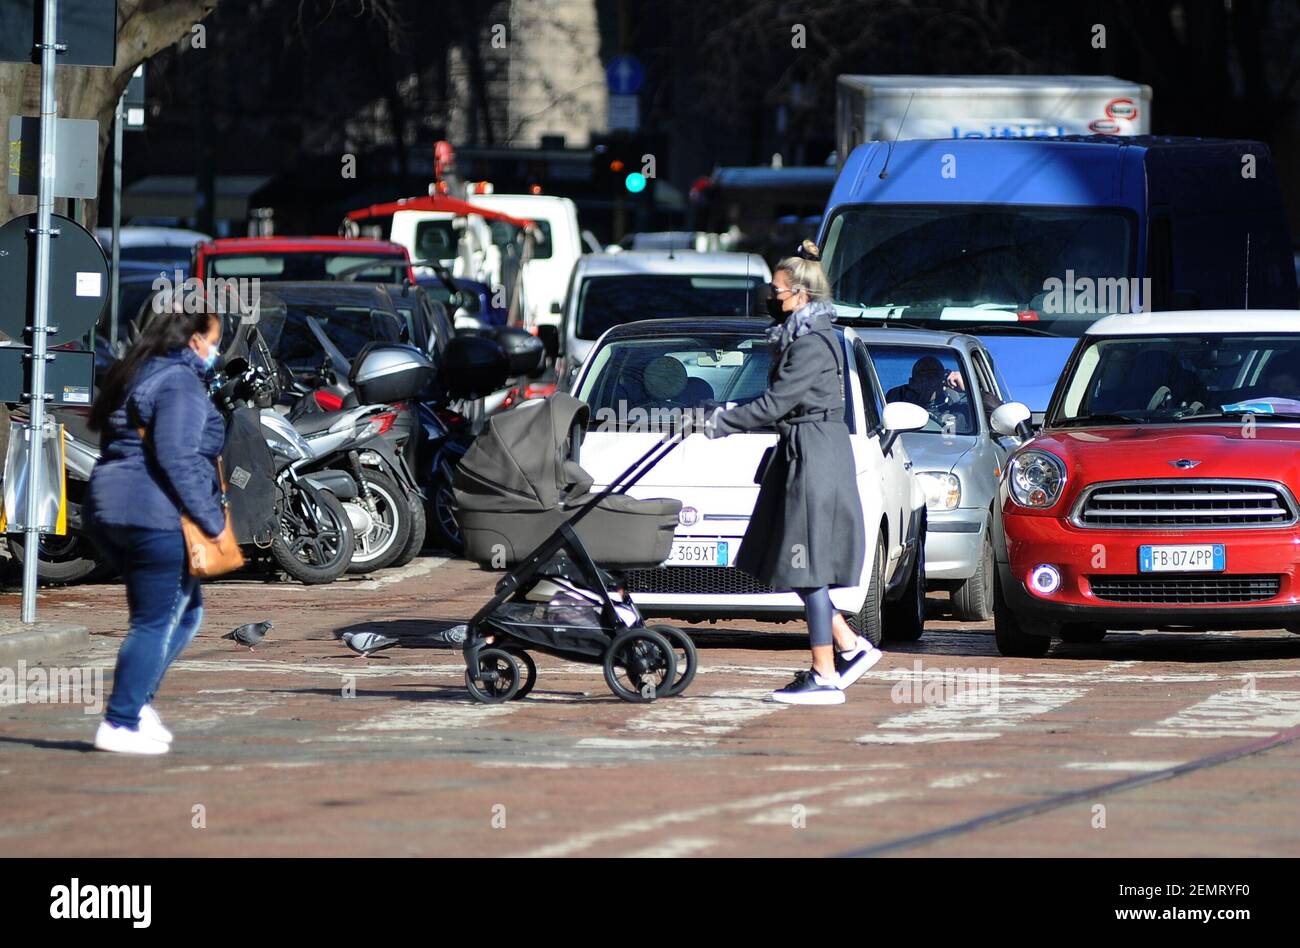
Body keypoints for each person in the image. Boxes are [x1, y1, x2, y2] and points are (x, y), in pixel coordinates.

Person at [703, 240, 879, 705]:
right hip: (806, 449)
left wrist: (720, 421)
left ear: (800, 294)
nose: (771, 297)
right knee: (798, 562)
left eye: (778, 290)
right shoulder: (806, 337)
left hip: (814, 454)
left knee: (809, 565)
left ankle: (825, 675)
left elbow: (777, 404)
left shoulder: (811, 345)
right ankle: (849, 646)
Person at [85, 305, 226, 755]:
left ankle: (138, 703)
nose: (216, 350)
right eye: (214, 340)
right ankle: (120, 720)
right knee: (153, 622)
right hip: (153, 513)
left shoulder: (134, 373)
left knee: (185, 614)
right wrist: (213, 522)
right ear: (194, 342)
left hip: (109, 507)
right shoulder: (180, 383)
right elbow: (177, 458)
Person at [886, 355, 967, 413]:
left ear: (942, 383)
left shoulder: (956, 407)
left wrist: (967, 387)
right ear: (912, 383)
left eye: (932, 377)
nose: (927, 383)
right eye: (922, 376)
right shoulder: (897, 401)